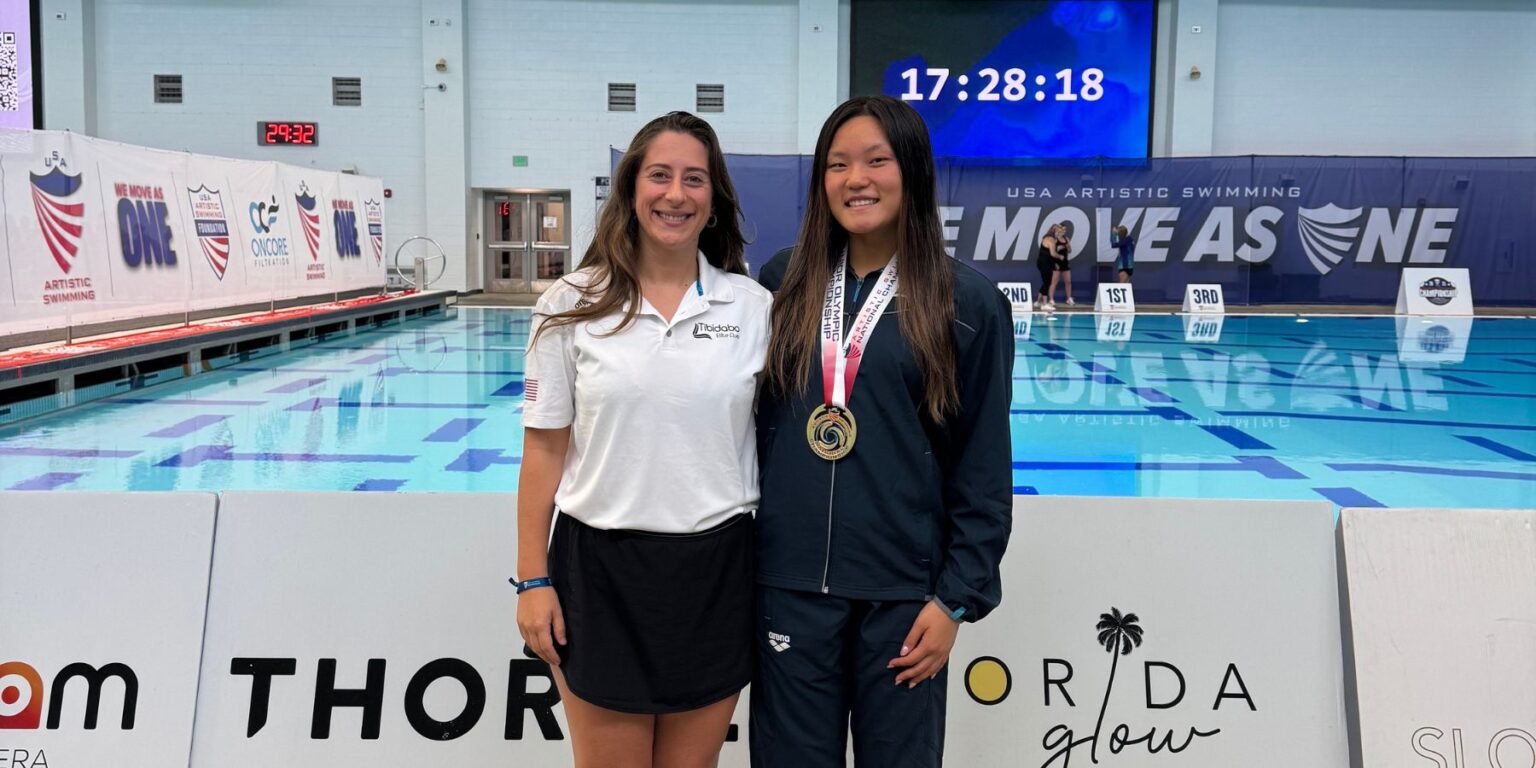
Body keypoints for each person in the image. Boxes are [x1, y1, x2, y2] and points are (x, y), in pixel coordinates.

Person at [751, 95, 1014, 767]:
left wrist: (954, 599)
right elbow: (756, 431)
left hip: (904, 600)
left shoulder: (968, 303)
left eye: (876, 160)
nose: (855, 179)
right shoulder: (785, 282)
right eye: (837, 164)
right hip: (792, 588)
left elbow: (982, 467)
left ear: (914, 172)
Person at [515, 111, 772, 768]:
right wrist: (531, 580)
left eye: (694, 179)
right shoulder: (572, 304)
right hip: (600, 574)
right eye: (659, 176)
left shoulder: (751, 308)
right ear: (632, 189)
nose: (675, 195)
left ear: (714, 201)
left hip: (716, 571)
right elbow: (543, 451)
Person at [1045, 221, 1074, 307]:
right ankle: (1051, 299)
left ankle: (1069, 298)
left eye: (1065, 230)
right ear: (1059, 229)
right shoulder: (1054, 239)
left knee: (1068, 281)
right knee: (1054, 282)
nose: (1064, 231)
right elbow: (1051, 252)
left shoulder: (1066, 239)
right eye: (1062, 229)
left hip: (1065, 263)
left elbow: (1070, 251)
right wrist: (1058, 248)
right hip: (1056, 263)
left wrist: (1067, 246)